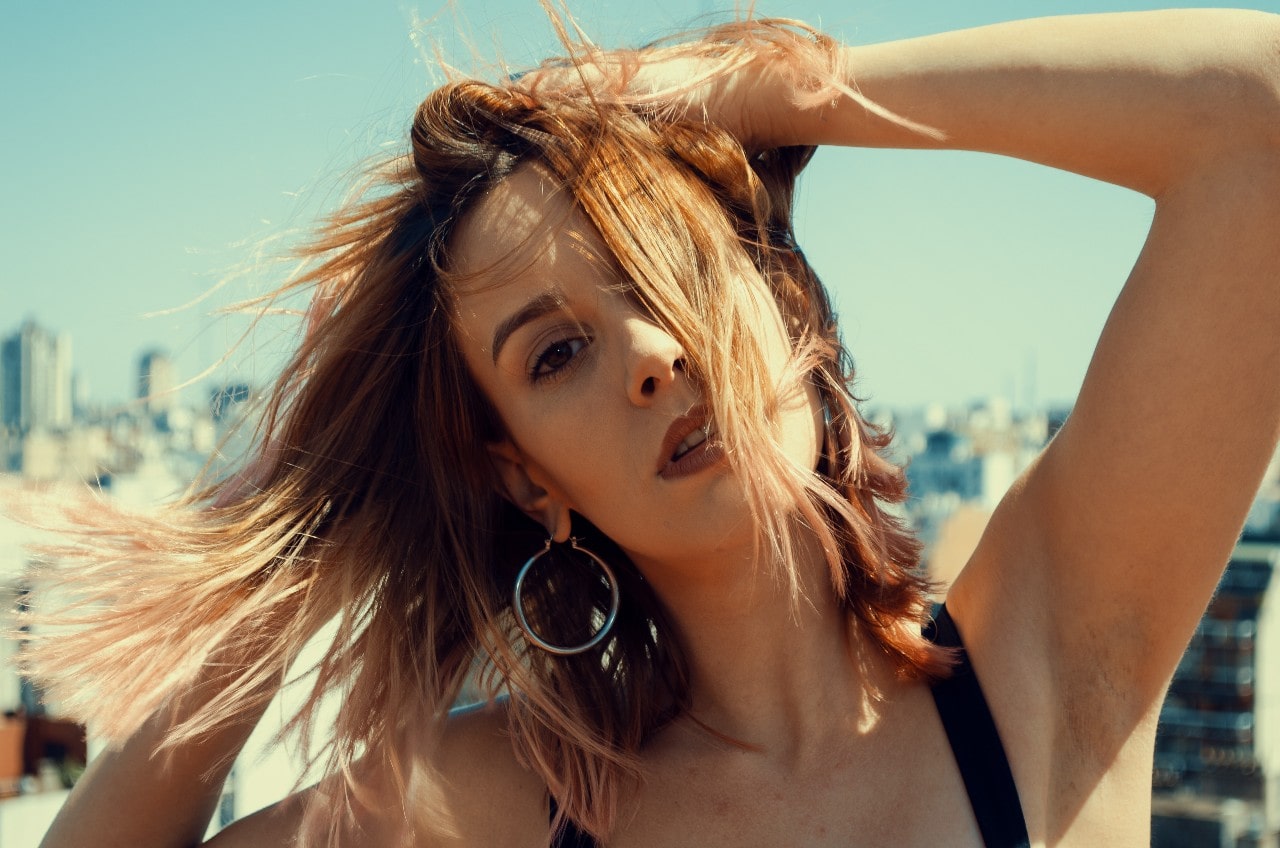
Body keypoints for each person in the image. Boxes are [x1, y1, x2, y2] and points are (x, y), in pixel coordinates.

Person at [23, 6, 1280, 847]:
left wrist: (798, 85)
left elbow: (1259, 126)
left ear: (781, 299)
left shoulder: (1040, 674)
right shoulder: (501, 806)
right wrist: (304, 497)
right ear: (527, 477)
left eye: (664, 270)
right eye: (557, 350)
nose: (651, 355)